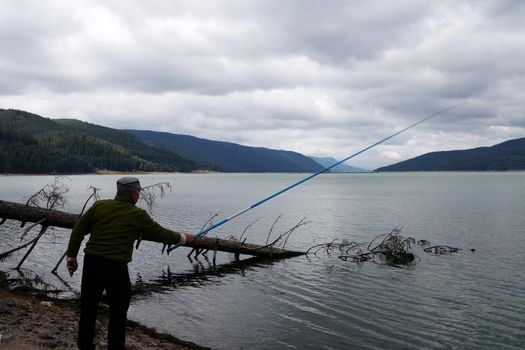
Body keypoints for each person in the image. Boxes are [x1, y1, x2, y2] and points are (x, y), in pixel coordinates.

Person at [65, 177, 195, 350]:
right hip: (116, 268)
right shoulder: (137, 214)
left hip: (92, 264)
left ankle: (85, 346)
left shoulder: (99, 206)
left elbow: (78, 231)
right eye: (138, 192)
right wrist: (185, 238)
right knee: (118, 313)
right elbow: (161, 234)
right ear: (134, 193)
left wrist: (71, 258)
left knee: (88, 309)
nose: (139, 195)